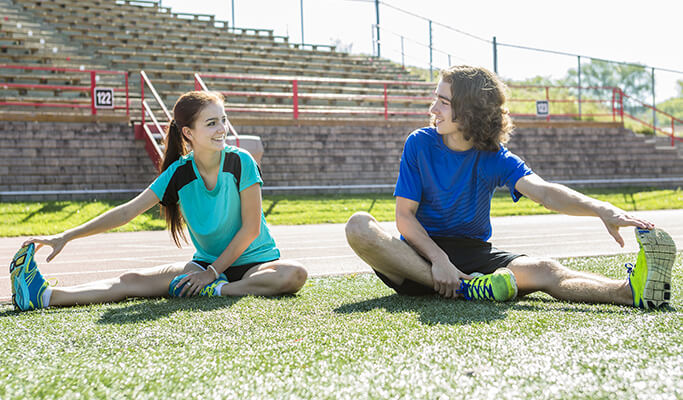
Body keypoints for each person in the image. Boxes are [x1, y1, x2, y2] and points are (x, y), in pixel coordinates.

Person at [345, 65, 676, 309]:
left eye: (443, 102)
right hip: (415, 257)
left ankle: (629, 291)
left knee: (546, 270)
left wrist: (602, 209)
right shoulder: (419, 143)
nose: (433, 109)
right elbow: (405, 218)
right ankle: (469, 288)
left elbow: (543, 191)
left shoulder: (494, 157)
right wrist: (440, 261)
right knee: (359, 226)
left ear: (470, 111)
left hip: (475, 255)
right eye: (436, 99)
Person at [9, 91, 308, 311]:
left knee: (294, 274)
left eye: (223, 120)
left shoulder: (241, 162)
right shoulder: (178, 173)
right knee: (131, 281)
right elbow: (128, 212)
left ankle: (220, 291)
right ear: (189, 133)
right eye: (212, 123)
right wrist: (66, 236)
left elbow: (251, 230)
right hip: (203, 268)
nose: (222, 129)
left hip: (255, 266)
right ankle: (43, 296)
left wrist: (212, 276)